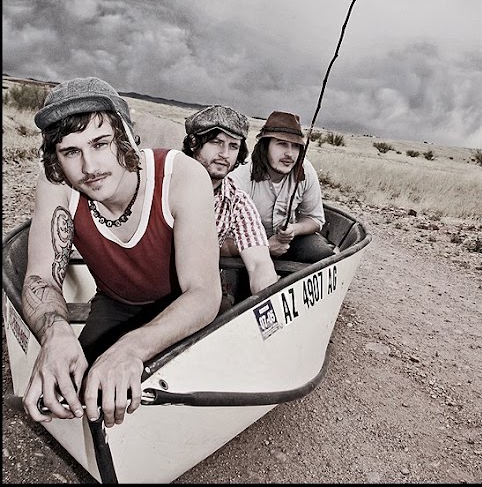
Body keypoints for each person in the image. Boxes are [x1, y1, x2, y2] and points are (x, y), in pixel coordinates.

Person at [22, 77, 221, 430]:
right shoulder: (57, 186)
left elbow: (203, 294)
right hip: (115, 305)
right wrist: (56, 334)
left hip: (181, 305)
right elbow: (40, 278)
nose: (89, 168)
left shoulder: (181, 175)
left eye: (100, 143)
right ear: (56, 158)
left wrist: (131, 349)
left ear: (126, 136)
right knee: (75, 392)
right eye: (71, 152)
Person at [182, 105, 279, 307]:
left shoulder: (237, 201)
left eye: (233, 146)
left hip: (197, 292)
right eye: (216, 142)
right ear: (193, 143)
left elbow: (259, 264)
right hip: (145, 284)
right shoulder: (166, 180)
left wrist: (268, 302)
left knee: (224, 308)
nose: (225, 154)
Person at [229, 111, 334, 263]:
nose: (290, 154)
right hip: (246, 247)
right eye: (282, 144)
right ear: (265, 146)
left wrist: (293, 230)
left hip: (287, 244)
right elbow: (221, 237)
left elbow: (314, 219)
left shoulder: (305, 170)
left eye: (296, 146)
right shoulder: (240, 175)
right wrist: (264, 246)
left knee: (322, 254)